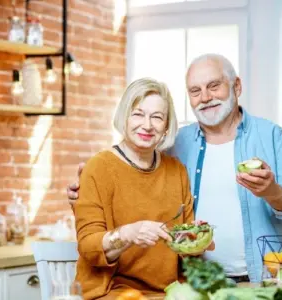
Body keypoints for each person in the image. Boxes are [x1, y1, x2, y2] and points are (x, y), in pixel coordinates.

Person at [68, 53, 282, 284]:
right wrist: (84, 199)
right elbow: (128, 182)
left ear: (237, 86)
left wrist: (271, 191)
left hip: (261, 278)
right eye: (195, 91)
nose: (205, 97)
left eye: (214, 86)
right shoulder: (178, 144)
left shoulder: (271, 136)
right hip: (197, 281)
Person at [73, 77, 213, 300]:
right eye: (138, 114)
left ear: (166, 126)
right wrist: (129, 233)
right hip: (112, 293)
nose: (147, 125)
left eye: (157, 117)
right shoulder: (98, 167)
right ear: (124, 117)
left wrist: (194, 240)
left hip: (169, 293)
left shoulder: (176, 171)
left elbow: (186, 255)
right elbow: (89, 248)